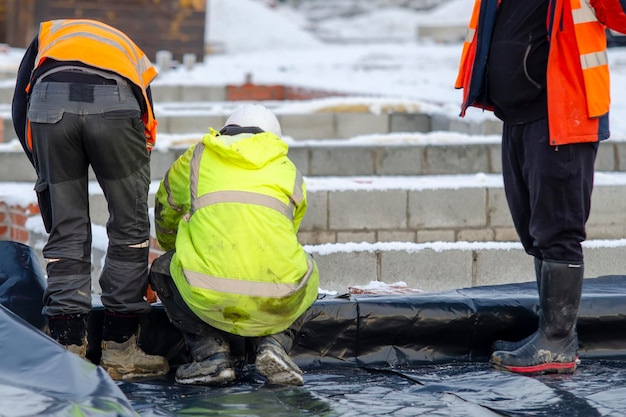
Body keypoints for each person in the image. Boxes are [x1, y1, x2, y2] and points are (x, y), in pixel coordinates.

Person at [455, 1, 626, 374]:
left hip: (563, 114)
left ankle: (558, 342)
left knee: (558, 228)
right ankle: (549, 332)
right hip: (518, 117)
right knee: (535, 229)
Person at [11, 19, 169, 380]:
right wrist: (133, 174)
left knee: (67, 229)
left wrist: (45, 171)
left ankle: (69, 350)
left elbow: (20, 105)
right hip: (115, 105)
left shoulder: (48, 35)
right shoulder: (128, 49)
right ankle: (120, 351)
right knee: (130, 229)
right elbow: (147, 112)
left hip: (49, 105)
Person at [150, 104, 319, 386]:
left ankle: (211, 357)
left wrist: (177, 248)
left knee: (162, 269)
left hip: (206, 294)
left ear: (227, 130)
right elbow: (287, 236)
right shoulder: (289, 171)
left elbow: (165, 209)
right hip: (275, 295)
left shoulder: (198, 157)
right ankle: (275, 343)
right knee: (307, 273)